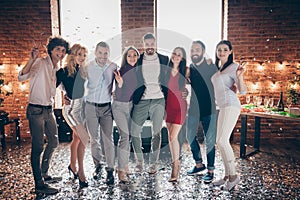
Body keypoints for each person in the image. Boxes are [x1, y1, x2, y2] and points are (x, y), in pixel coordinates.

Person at [18, 36, 70, 195]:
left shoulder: (56, 70)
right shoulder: (40, 63)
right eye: (58, 50)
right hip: (36, 110)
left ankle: (44, 173)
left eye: (63, 50)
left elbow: (57, 87)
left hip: (49, 110)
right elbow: (21, 76)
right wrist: (31, 59)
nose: (61, 53)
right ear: (51, 50)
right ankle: (39, 183)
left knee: (54, 142)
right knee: (38, 146)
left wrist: (66, 95)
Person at [131, 33, 169, 174]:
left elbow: (172, 77)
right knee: (134, 131)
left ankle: (153, 164)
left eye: (152, 43)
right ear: (143, 45)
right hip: (142, 100)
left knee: (156, 133)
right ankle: (139, 162)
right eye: (147, 44)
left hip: (159, 99)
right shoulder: (138, 59)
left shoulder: (164, 59)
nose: (149, 47)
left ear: (155, 44)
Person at [211, 40, 247, 190]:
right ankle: (227, 175)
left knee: (222, 140)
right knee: (219, 141)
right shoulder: (219, 68)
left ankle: (233, 176)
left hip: (231, 105)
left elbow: (243, 91)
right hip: (223, 106)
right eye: (219, 50)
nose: (222, 52)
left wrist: (240, 76)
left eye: (225, 50)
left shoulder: (234, 67)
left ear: (231, 51)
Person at [56, 44, 89, 189]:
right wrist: (63, 95)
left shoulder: (83, 71)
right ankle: (81, 173)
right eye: (79, 54)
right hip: (71, 109)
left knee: (76, 138)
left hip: (82, 107)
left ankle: (72, 165)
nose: (82, 58)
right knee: (84, 138)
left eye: (84, 55)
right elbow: (53, 86)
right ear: (73, 55)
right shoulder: (62, 71)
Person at [84, 41, 117, 185]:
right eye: (100, 53)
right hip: (90, 106)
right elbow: (76, 83)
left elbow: (122, 84)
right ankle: (98, 166)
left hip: (106, 108)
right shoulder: (88, 67)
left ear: (108, 54)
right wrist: (67, 95)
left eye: (106, 53)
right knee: (94, 139)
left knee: (108, 139)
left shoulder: (113, 67)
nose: (103, 56)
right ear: (96, 53)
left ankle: (110, 170)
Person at [186, 40, 218, 184]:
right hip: (193, 109)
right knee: (189, 136)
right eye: (192, 50)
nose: (194, 52)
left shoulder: (211, 66)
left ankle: (210, 170)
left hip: (209, 109)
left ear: (203, 51)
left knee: (210, 140)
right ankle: (199, 164)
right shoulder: (190, 68)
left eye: (197, 50)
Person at [112, 46, 139, 183]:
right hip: (119, 107)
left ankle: (125, 165)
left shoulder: (137, 71)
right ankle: (120, 170)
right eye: (129, 55)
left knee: (127, 138)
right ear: (125, 57)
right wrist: (120, 84)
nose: (132, 58)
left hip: (130, 106)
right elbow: (119, 95)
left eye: (135, 55)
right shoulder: (120, 71)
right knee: (124, 136)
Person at [165, 47, 188, 182]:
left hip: (180, 107)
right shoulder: (166, 71)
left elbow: (195, 85)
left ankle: (175, 165)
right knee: (171, 137)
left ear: (182, 58)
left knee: (173, 136)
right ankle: (176, 162)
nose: (176, 56)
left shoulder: (186, 71)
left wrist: (188, 92)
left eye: (179, 54)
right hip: (168, 107)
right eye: (174, 53)